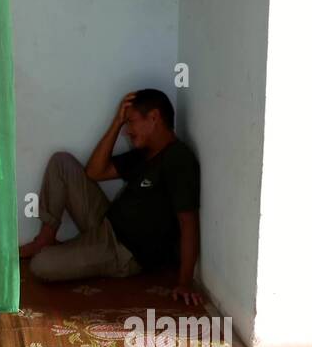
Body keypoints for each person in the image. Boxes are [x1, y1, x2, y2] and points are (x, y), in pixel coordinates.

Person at [19, 89, 202, 306]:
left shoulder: (178, 159)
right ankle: (45, 238)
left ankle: (61, 251)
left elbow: (188, 223)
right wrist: (116, 123)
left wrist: (185, 282)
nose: (128, 131)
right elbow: (95, 172)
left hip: (124, 251)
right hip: (108, 222)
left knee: (41, 265)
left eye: (131, 122)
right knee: (62, 163)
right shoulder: (145, 152)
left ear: (154, 118)